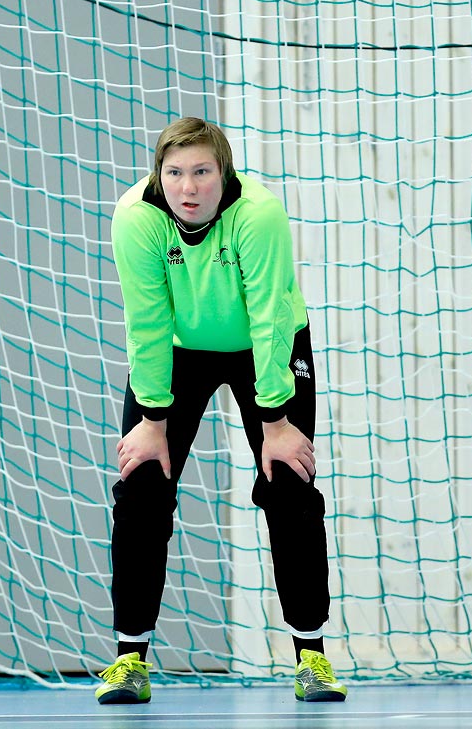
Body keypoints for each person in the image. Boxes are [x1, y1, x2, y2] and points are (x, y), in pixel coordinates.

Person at [94, 117, 347, 705]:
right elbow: (147, 323)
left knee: (289, 483)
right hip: (179, 350)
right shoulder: (138, 219)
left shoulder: (258, 215)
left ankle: (311, 656)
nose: (188, 187)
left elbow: (270, 315)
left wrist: (276, 423)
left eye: (202, 172)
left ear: (223, 174)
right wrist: (152, 423)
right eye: (175, 172)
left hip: (263, 346)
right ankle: (130, 661)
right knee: (141, 487)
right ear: (159, 175)